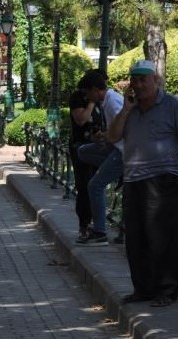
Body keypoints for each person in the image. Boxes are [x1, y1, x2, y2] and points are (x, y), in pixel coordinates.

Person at [106, 59, 178, 307]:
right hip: (134, 179)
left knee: (163, 238)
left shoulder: (172, 105)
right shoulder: (130, 109)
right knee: (136, 238)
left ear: (155, 80)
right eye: (135, 80)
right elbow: (112, 137)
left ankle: (166, 291)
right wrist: (125, 110)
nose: (139, 84)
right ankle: (143, 289)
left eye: (144, 79)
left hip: (164, 178)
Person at [75, 69, 124, 246]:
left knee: (95, 184)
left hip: (122, 152)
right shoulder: (106, 102)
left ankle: (100, 232)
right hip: (113, 146)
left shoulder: (113, 102)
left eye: (88, 93)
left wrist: (108, 136)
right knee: (83, 151)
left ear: (96, 89)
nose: (87, 97)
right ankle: (115, 172)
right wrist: (103, 136)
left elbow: (124, 126)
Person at [68, 75, 102, 242]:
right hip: (81, 146)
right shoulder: (78, 99)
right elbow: (81, 120)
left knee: (97, 185)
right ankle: (85, 225)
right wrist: (91, 103)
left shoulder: (102, 100)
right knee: (85, 186)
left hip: (99, 146)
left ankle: (99, 225)